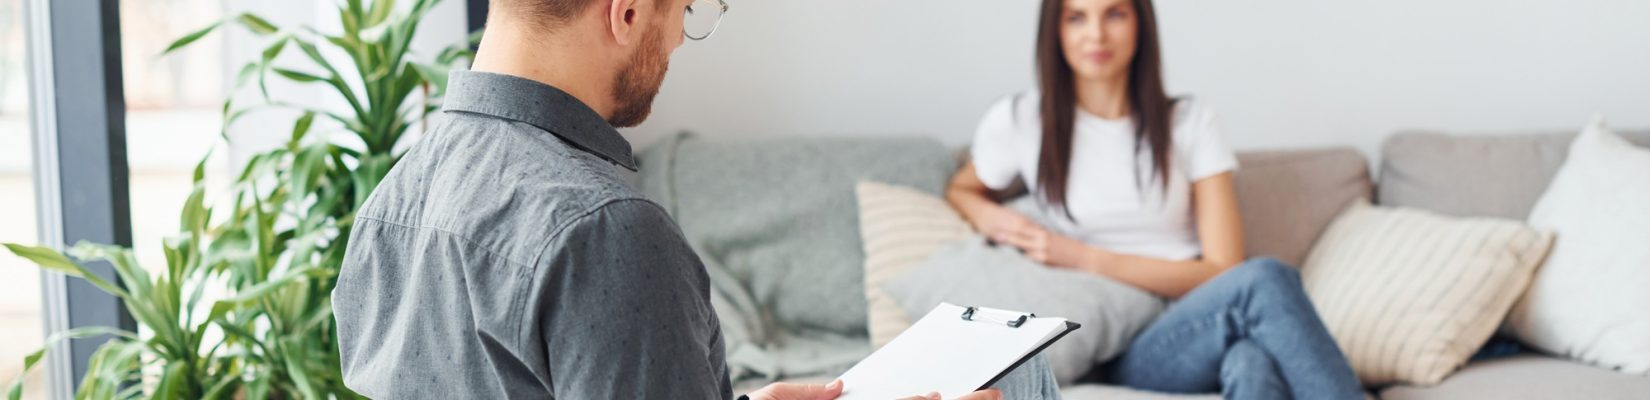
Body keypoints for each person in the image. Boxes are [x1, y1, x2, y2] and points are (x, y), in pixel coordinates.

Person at [331, 0, 1043, 398]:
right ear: (629, 11)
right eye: (688, 9)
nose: (679, 39)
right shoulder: (605, 230)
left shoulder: (393, 198)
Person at [943, 0, 1364, 399]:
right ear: (1054, 30)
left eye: (1114, 14)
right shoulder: (1021, 121)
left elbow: (1222, 270)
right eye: (1076, 17)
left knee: (1250, 361)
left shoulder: (1190, 120)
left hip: (1199, 320)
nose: (1096, 35)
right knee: (1265, 279)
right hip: (1126, 347)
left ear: (1140, 22)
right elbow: (962, 190)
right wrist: (987, 216)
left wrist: (1086, 258)